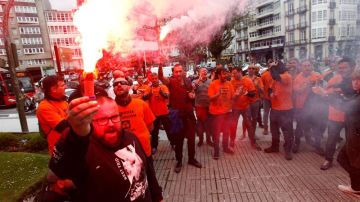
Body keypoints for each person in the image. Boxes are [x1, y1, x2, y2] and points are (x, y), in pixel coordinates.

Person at [49, 96, 163, 202]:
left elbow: (148, 171)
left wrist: (158, 197)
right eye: (102, 120)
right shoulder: (84, 148)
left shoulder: (131, 137)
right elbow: (61, 169)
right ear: (90, 122)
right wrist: (77, 133)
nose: (110, 124)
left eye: (114, 117)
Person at [158, 64, 202, 173]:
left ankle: (191, 159)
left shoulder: (187, 80)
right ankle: (179, 161)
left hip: (189, 115)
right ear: (173, 73)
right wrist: (160, 66)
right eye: (176, 71)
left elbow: (191, 92)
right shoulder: (170, 82)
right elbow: (161, 78)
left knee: (191, 139)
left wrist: (192, 95)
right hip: (177, 116)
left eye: (180, 71)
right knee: (179, 141)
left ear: (183, 71)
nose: (178, 73)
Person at [314, 57, 355, 170]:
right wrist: (323, 93)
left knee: (352, 140)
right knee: (331, 139)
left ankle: (352, 162)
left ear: (352, 67)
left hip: (351, 116)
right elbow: (327, 91)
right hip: (335, 114)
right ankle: (328, 160)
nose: (342, 70)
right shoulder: (334, 79)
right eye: (340, 67)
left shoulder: (356, 79)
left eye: (345, 67)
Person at [113, 77, 155, 158]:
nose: (119, 85)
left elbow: (150, 127)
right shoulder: (110, 108)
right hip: (122, 154)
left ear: (129, 87)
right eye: (115, 84)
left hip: (143, 150)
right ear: (113, 89)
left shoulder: (141, 104)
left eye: (122, 83)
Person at [336, 70, 360, 198]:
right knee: (346, 158)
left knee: (350, 161)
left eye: (358, 80)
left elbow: (346, 108)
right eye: (354, 80)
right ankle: (356, 186)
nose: (355, 83)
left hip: (356, 136)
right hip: (353, 134)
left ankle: (356, 187)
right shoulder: (357, 95)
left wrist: (326, 96)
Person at [264, 60, 294, 160]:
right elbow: (270, 88)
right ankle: (275, 147)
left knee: (287, 131)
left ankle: (288, 151)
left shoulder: (287, 76)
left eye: (275, 68)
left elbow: (276, 76)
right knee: (274, 130)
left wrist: (272, 66)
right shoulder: (275, 78)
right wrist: (270, 94)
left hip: (286, 109)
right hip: (275, 108)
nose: (273, 70)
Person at [292, 60, 322, 153]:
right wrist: (308, 83)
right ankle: (296, 144)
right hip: (301, 106)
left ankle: (318, 146)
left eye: (308, 65)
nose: (307, 68)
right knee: (300, 127)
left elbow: (322, 87)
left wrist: (318, 83)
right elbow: (298, 91)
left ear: (311, 66)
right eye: (305, 66)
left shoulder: (317, 75)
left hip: (315, 106)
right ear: (301, 68)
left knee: (316, 127)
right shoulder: (297, 78)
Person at [229, 67, 261, 150]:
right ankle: (232, 141)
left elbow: (253, 93)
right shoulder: (231, 82)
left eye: (235, 73)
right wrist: (235, 95)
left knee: (249, 125)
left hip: (245, 107)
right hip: (235, 107)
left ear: (240, 72)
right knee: (233, 125)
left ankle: (253, 142)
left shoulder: (247, 81)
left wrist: (247, 93)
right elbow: (230, 96)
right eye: (233, 73)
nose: (233, 75)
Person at [36, 75, 69, 154]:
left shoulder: (63, 102)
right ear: (53, 89)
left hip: (71, 145)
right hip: (61, 150)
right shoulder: (44, 107)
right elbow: (63, 127)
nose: (66, 87)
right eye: (62, 85)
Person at [208, 68, 235, 159]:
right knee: (216, 133)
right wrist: (218, 94)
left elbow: (232, 97)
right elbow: (210, 98)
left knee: (226, 131)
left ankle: (226, 147)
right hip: (216, 114)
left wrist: (238, 94)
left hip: (227, 112)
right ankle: (216, 150)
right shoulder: (213, 84)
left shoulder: (229, 84)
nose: (226, 75)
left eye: (226, 73)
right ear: (219, 75)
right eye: (224, 74)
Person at [147, 73, 174, 154]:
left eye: (156, 78)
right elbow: (144, 97)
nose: (154, 80)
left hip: (164, 112)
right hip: (154, 114)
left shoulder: (163, 87)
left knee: (168, 129)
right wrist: (149, 94)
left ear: (158, 79)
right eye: (153, 79)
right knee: (154, 132)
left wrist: (161, 92)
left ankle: (173, 143)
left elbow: (167, 96)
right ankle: (154, 146)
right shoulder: (149, 88)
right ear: (151, 80)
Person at [193, 67, 213, 147]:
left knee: (208, 124)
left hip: (208, 106)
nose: (204, 72)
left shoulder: (211, 81)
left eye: (205, 71)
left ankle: (208, 140)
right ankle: (201, 140)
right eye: (202, 71)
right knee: (200, 124)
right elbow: (193, 89)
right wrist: (199, 80)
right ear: (199, 73)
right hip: (199, 107)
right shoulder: (195, 81)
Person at [244, 64, 264, 138]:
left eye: (253, 68)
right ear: (247, 70)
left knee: (254, 118)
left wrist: (257, 86)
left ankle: (253, 133)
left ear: (255, 70)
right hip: (246, 102)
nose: (251, 69)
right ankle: (249, 133)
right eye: (249, 68)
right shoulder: (244, 78)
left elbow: (262, 91)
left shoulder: (258, 79)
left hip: (255, 101)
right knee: (248, 118)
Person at [260, 59, 274, 135]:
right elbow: (261, 86)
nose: (271, 65)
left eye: (272, 64)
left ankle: (273, 128)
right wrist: (262, 96)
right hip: (266, 98)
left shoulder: (277, 73)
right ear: (267, 65)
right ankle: (265, 128)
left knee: (273, 114)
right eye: (269, 64)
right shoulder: (264, 74)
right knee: (266, 114)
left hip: (275, 98)